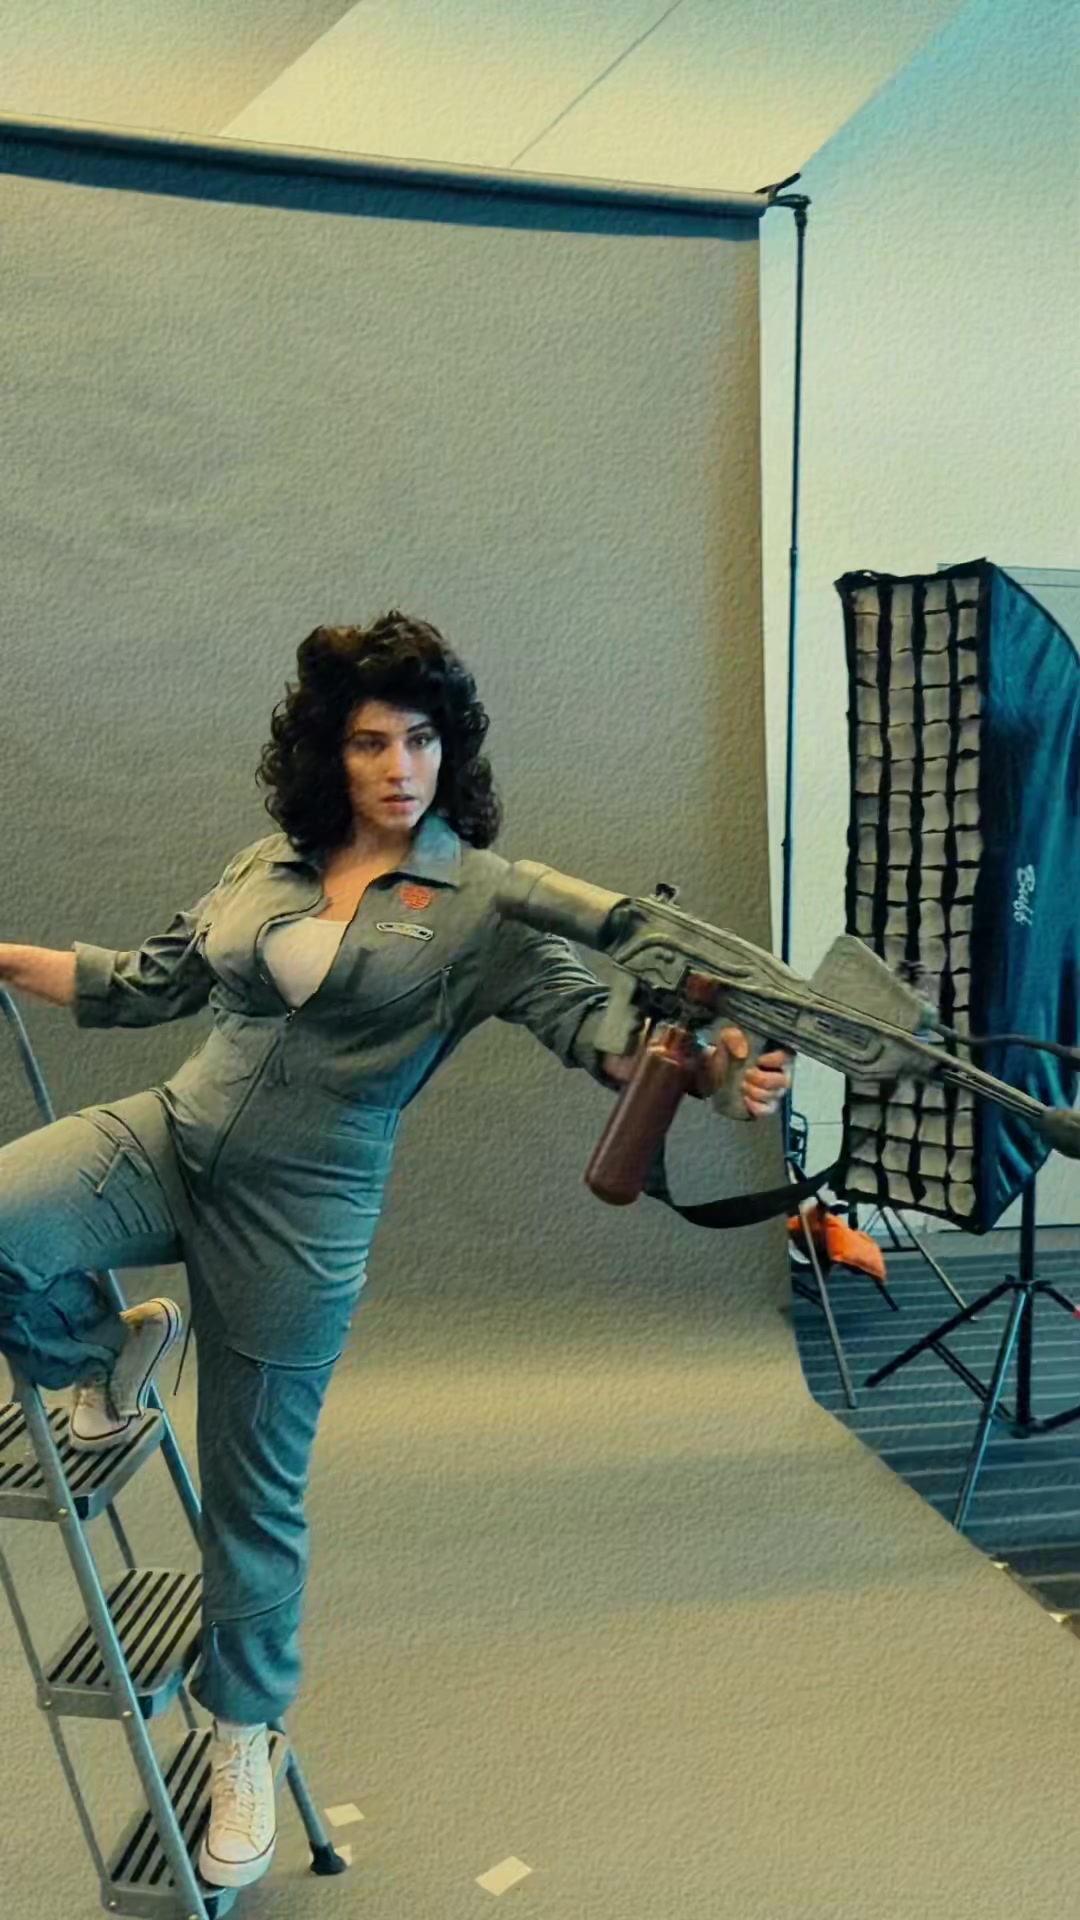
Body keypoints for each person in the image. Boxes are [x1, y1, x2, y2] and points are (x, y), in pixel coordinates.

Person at [0, 612, 790, 1891]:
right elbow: (146, 980)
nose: (398, 766)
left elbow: (598, 1032)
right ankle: (104, 1353)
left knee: (253, 1501)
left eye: (420, 740)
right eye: (371, 741)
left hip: (302, 1215)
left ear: (448, 750)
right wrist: (3, 956)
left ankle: (242, 1737)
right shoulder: (269, 862)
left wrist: (711, 1074)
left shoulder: (482, 904)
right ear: (331, 751)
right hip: (173, 1138)